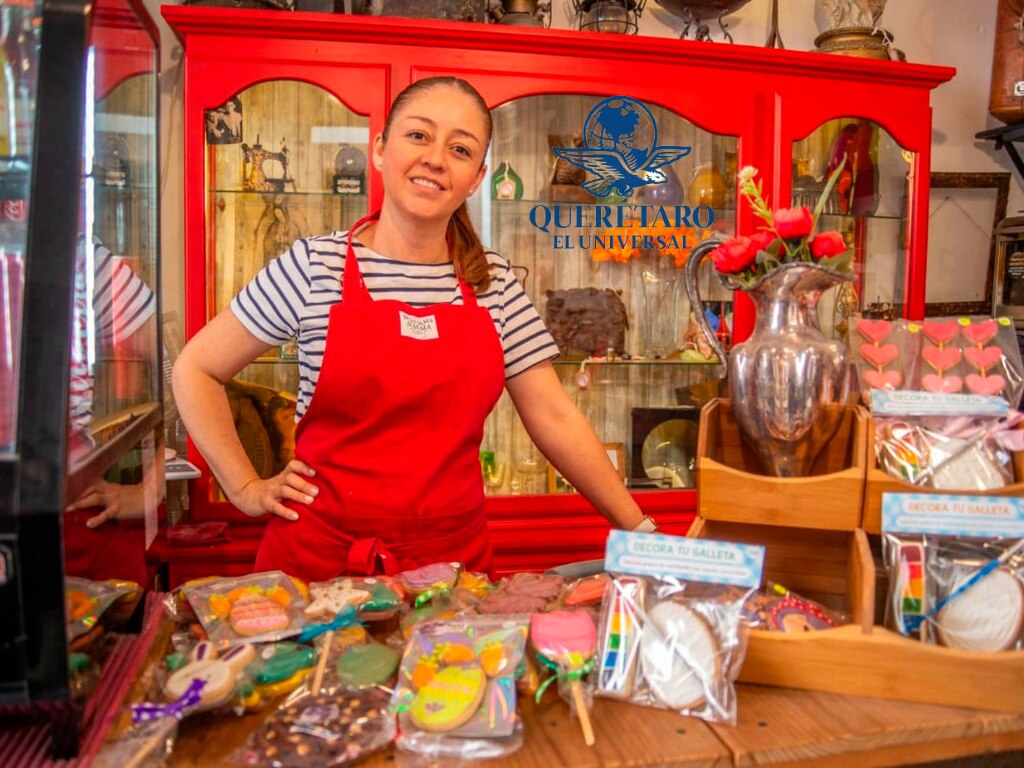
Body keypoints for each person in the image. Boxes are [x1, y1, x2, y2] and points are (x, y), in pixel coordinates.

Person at [173, 76, 655, 583]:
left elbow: (555, 417)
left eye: (460, 148)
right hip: (317, 569)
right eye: (419, 136)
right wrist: (244, 486)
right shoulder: (316, 266)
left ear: (477, 177)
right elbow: (196, 368)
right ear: (380, 149)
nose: (435, 159)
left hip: (451, 574)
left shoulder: (493, 283)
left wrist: (641, 532)